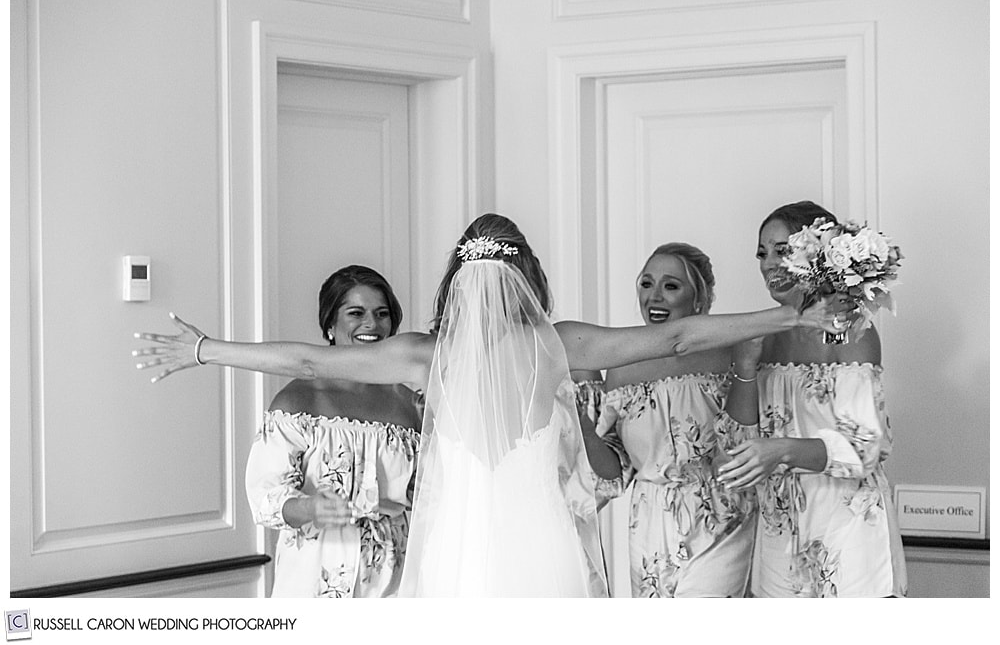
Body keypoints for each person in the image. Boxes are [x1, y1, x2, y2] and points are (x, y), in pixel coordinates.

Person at [134, 213, 848, 597]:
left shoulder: (423, 356)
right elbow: (687, 334)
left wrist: (208, 351)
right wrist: (788, 317)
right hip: (544, 544)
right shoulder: (559, 346)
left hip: (453, 548)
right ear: (528, 278)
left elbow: (307, 358)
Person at [716, 200, 908, 598]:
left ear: (815, 255)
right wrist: (745, 369)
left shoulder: (852, 330)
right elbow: (736, 446)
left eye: (782, 251)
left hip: (847, 529)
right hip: (778, 532)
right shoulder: (758, 332)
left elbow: (866, 447)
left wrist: (784, 450)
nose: (769, 264)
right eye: (762, 253)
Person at [586, 243, 761, 597]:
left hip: (720, 514)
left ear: (699, 298)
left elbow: (744, 442)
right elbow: (614, 470)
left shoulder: (729, 354)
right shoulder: (621, 368)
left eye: (671, 286)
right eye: (646, 284)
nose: (655, 297)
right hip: (649, 522)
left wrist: (745, 370)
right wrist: (581, 425)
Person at [244, 265, 422, 597]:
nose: (371, 323)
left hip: (394, 584)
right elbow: (264, 495)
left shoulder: (411, 405)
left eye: (382, 314)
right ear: (330, 324)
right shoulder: (297, 400)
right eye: (356, 313)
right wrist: (310, 508)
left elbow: (432, 495)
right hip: (312, 581)